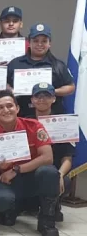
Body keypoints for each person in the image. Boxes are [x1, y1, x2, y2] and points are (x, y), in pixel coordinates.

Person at [0, 90, 60, 236]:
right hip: (8, 180)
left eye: (10, 106)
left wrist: (17, 169)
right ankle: (15, 208)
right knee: (2, 201)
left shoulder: (34, 126)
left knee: (49, 172)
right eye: (0, 107)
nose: (6, 110)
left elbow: (48, 157)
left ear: (17, 108)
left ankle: (47, 220)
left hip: (34, 176)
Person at [7, 24, 75, 118]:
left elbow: (70, 87)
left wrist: (51, 91)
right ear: (29, 42)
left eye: (44, 41)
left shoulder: (58, 65)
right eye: (35, 41)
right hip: (22, 116)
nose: (39, 44)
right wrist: (11, 90)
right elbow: (4, 83)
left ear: (49, 43)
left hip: (52, 116)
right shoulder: (15, 63)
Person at [30, 82, 73, 222]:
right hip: (28, 170)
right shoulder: (24, 120)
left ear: (54, 99)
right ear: (32, 99)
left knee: (64, 180)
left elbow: (68, 157)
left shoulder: (63, 123)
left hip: (52, 171)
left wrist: (59, 174)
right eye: (38, 96)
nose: (42, 99)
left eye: (46, 96)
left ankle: (51, 206)